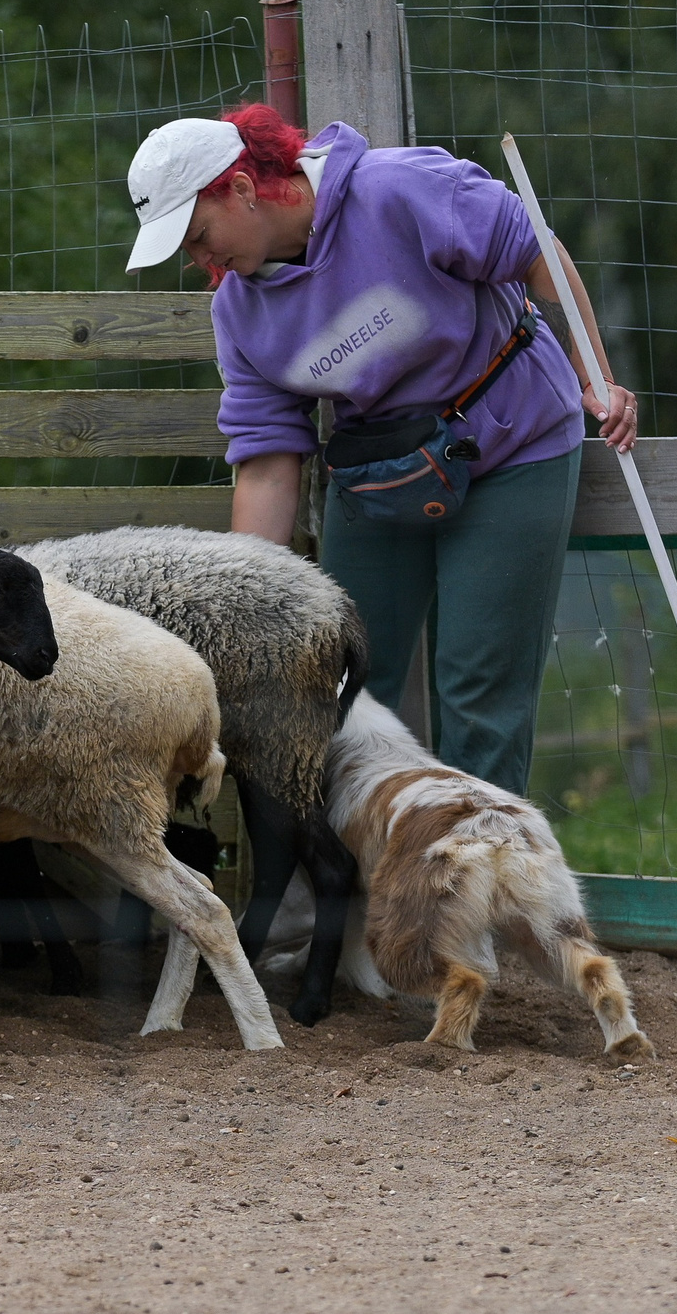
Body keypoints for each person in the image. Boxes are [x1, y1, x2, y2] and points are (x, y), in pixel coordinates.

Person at [123, 105, 637, 797]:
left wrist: (594, 376)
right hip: (378, 471)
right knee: (338, 682)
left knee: (478, 691)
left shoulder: (400, 190)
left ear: (242, 187)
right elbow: (269, 462)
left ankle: (476, 884)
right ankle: (355, 886)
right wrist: (246, 603)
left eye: (197, 235)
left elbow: (535, 251)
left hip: (512, 445)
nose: (198, 260)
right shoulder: (240, 312)